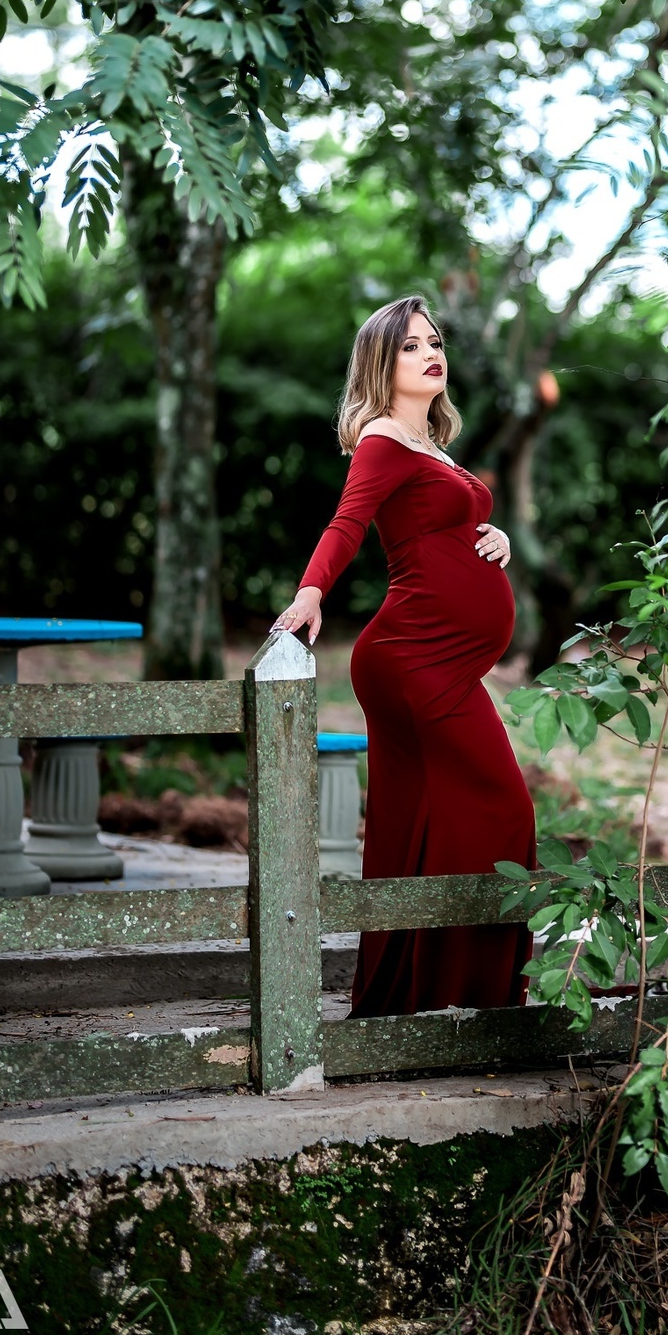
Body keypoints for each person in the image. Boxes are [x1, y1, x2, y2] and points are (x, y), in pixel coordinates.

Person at [271, 294, 536, 1018]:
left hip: (441, 662)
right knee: (500, 808)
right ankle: (461, 995)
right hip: (413, 659)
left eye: (435, 341)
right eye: (411, 345)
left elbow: (437, 525)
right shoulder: (383, 437)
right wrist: (312, 592)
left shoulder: (429, 446)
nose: (430, 353)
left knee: (428, 823)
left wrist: (492, 537)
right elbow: (348, 522)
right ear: (381, 364)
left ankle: (420, 998)